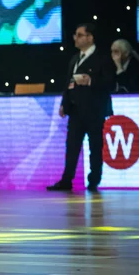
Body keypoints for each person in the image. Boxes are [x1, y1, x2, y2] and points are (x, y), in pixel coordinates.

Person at [47, 23, 115, 192]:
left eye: (79, 35)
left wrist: (90, 81)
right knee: (72, 146)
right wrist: (64, 103)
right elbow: (68, 83)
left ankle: (94, 180)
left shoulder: (103, 58)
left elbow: (110, 83)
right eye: (75, 35)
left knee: (95, 146)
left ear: (90, 37)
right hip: (76, 110)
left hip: (94, 109)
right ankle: (66, 179)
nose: (75, 38)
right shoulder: (74, 59)